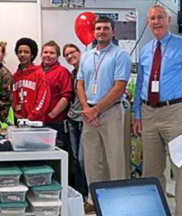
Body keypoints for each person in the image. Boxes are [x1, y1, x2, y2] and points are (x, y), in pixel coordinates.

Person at [133, 5, 182, 215]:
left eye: (160, 17)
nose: (156, 22)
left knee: (180, 168)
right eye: (152, 18)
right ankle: (154, 211)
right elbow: (139, 86)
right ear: (148, 22)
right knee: (151, 170)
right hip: (148, 113)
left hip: (175, 112)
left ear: (168, 19)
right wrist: (137, 114)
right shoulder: (146, 50)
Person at [76, 16, 131, 212]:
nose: (101, 31)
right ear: (94, 31)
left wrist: (96, 110)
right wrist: (86, 108)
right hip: (89, 113)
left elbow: (119, 87)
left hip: (110, 112)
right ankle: (93, 199)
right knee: (91, 160)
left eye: (106, 28)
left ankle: (119, 198)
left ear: (113, 32)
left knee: (115, 159)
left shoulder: (120, 55)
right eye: (98, 28)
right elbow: (80, 83)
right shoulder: (86, 56)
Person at [63, 43, 88, 199]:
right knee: (75, 160)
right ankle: (79, 194)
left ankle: (87, 193)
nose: (70, 56)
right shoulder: (71, 74)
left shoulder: (88, 71)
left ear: (80, 52)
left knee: (83, 158)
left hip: (86, 119)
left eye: (73, 52)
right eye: (66, 54)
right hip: (73, 119)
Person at [39, 40, 73, 148]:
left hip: (55, 122)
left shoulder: (63, 72)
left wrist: (51, 115)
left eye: (52, 53)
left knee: (56, 156)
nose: (48, 55)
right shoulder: (36, 71)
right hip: (38, 123)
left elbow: (66, 97)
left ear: (57, 56)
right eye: (45, 52)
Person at [12, 37, 50, 123]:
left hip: (35, 123)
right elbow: (11, 99)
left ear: (32, 55)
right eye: (20, 52)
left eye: (26, 52)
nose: (22, 55)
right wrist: (15, 115)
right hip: (19, 122)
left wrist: (30, 118)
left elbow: (43, 100)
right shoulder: (14, 77)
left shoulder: (40, 74)